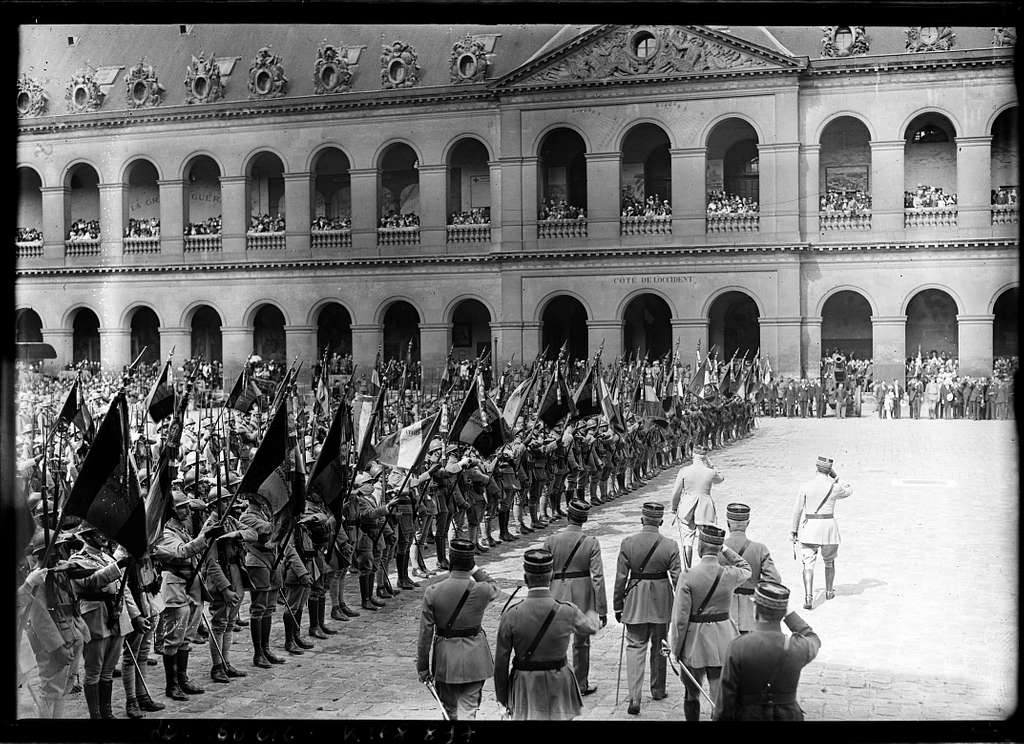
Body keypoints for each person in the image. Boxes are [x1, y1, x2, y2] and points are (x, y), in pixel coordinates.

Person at [494, 548, 601, 720]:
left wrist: (502, 699)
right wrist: (594, 611)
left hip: (525, 685)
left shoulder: (511, 615)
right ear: (551, 576)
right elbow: (591, 628)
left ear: (525, 578)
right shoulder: (568, 611)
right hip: (559, 681)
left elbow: (500, 664)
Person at [669, 524, 751, 722]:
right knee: (718, 699)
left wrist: (676, 649)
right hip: (723, 641)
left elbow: (680, 620)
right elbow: (746, 568)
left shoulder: (688, 576)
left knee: (691, 694)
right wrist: (724, 548)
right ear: (717, 548)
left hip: (694, 642)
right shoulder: (729, 574)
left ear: (700, 547)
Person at [415, 538, 501, 720]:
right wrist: (475, 570)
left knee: (449, 711)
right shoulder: (482, 589)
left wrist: (423, 668)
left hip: (447, 661)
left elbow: (425, 635)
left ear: (450, 561)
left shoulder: (433, 591)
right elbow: (495, 586)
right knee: (469, 711)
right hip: (476, 659)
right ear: (470, 563)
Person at [70, 523, 146, 719]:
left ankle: (107, 711)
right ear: (87, 537)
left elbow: (124, 588)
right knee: (94, 670)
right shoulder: (77, 559)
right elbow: (90, 582)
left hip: (117, 616)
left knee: (108, 670)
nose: (104, 536)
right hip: (95, 617)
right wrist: (117, 566)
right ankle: (96, 715)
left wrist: (135, 615)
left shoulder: (107, 557)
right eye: (98, 533)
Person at [715, 581, 821, 721]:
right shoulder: (797, 647)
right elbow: (813, 638)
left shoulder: (738, 647)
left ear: (755, 610)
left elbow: (726, 701)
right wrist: (789, 615)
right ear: (783, 613)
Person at [153, 490, 223, 699]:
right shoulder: (165, 533)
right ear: (172, 510)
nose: (187, 510)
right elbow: (181, 552)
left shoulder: (181, 529)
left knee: (186, 637)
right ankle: (171, 684)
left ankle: (183, 678)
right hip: (174, 587)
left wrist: (207, 534)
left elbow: (194, 550)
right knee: (173, 638)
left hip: (190, 586)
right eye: (182, 506)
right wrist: (204, 537)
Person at [612, 502, 681, 715]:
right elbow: (678, 578)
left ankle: (634, 697)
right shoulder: (670, 545)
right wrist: (681, 607)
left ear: (642, 519)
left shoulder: (628, 543)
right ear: (660, 521)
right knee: (660, 646)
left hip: (635, 600)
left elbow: (621, 578)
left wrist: (617, 605)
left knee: (634, 647)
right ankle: (658, 689)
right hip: (662, 601)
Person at [542, 499, 607, 696]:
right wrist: (602, 609)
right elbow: (598, 577)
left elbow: (543, 572)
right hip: (583, 596)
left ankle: (554, 682)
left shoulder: (551, 540)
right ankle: (580, 684)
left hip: (556, 593)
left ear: (568, 517)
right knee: (582, 642)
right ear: (584, 519)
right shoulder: (591, 542)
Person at [791, 456, 853, 609]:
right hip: (829, 529)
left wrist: (793, 530)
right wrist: (836, 477)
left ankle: (808, 597)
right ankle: (829, 591)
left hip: (810, 528)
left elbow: (797, 510)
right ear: (829, 470)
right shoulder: (835, 487)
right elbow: (849, 490)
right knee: (829, 562)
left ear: (816, 468)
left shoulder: (805, 486)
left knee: (808, 564)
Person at [722, 503, 780, 634]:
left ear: (728, 523)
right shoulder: (760, 549)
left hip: (723, 611)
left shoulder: (717, 549)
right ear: (747, 524)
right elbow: (775, 580)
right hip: (749, 612)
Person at [671, 444, 723, 568]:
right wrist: (711, 464)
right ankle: (704, 569)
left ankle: (688, 570)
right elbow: (721, 478)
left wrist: (674, 507)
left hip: (687, 507)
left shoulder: (684, 471)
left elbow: (676, 493)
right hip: (705, 508)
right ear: (704, 457)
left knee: (687, 540)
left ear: (693, 455)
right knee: (705, 540)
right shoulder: (710, 472)